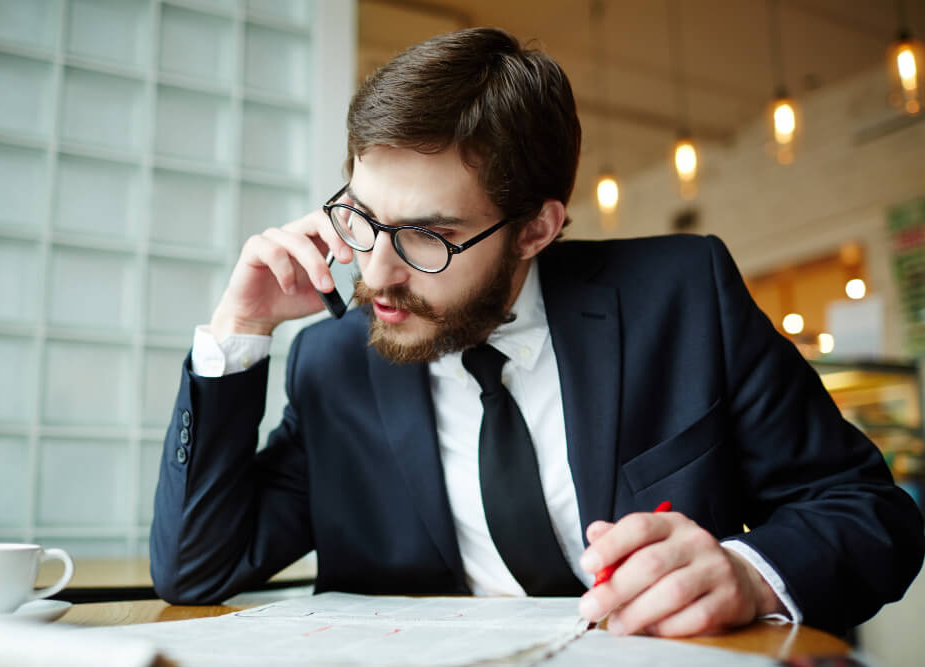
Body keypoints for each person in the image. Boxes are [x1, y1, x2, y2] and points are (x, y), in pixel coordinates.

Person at [150, 27, 924, 638]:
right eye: (362, 218)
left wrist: (749, 572)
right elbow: (195, 569)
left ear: (536, 229)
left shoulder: (683, 298)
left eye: (427, 235)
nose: (377, 273)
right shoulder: (334, 362)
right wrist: (240, 330)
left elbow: (870, 511)